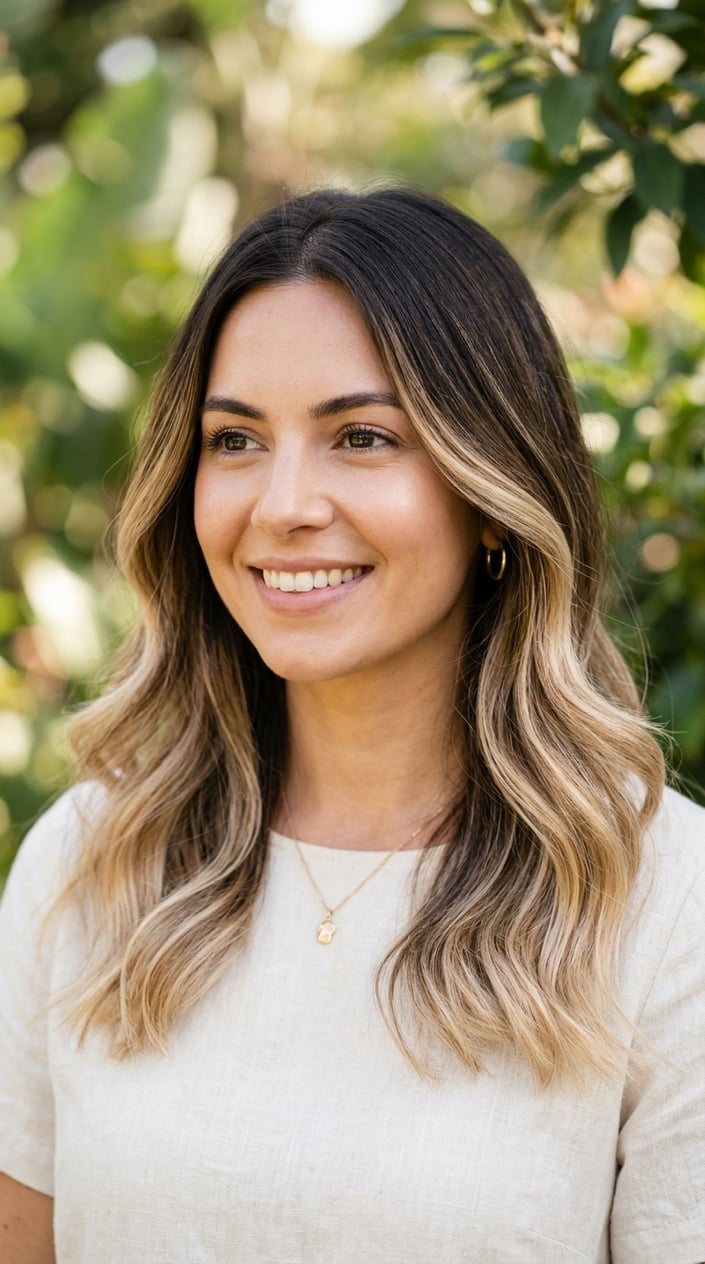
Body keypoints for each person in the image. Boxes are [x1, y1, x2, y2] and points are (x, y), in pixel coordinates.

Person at [0, 187, 703, 1264]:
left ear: (493, 489)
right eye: (234, 439)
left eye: (361, 436)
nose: (282, 503)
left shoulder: (659, 899)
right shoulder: (91, 864)